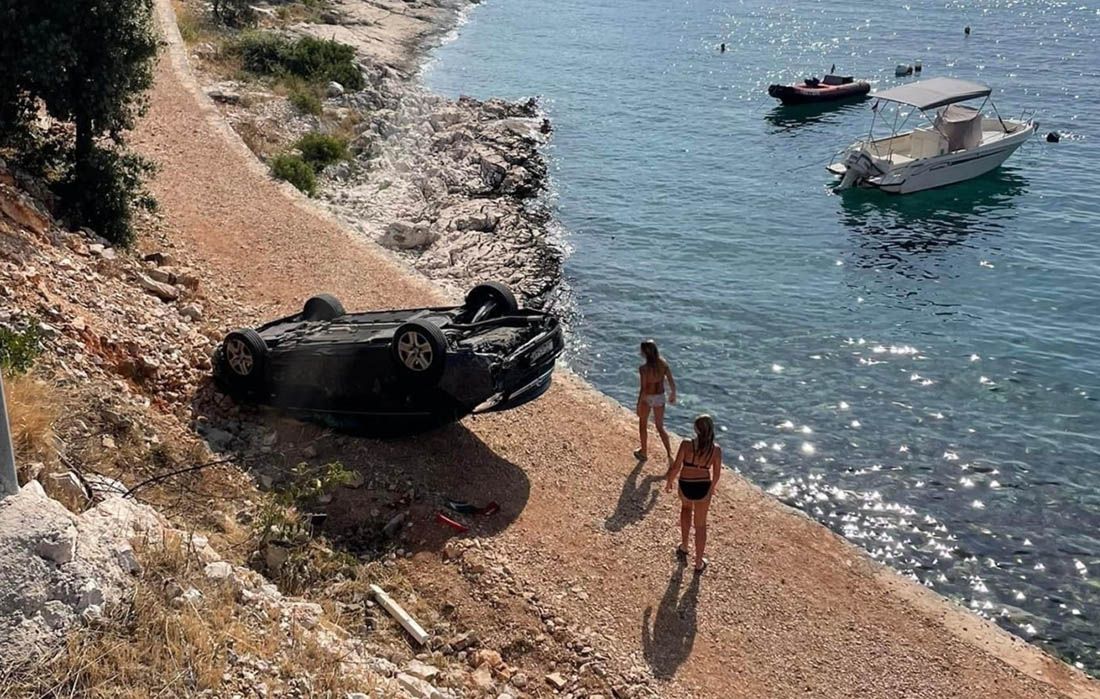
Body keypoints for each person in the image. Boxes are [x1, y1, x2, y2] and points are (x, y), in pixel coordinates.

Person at [665, 415, 721, 574]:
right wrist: (712, 487)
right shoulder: (715, 450)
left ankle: (684, 545)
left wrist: (669, 481)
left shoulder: (686, 444)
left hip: (686, 484)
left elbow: (676, 466)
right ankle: (698, 562)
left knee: (686, 509)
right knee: (701, 525)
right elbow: (717, 473)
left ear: (696, 429)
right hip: (703, 487)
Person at [635, 340, 676, 463]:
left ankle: (644, 452)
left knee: (643, 424)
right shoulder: (663, 364)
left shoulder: (644, 369)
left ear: (645, 353)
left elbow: (643, 389)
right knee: (659, 426)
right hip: (660, 397)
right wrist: (673, 393)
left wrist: (638, 404)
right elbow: (670, 380)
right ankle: (669, 454)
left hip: (648, 397)